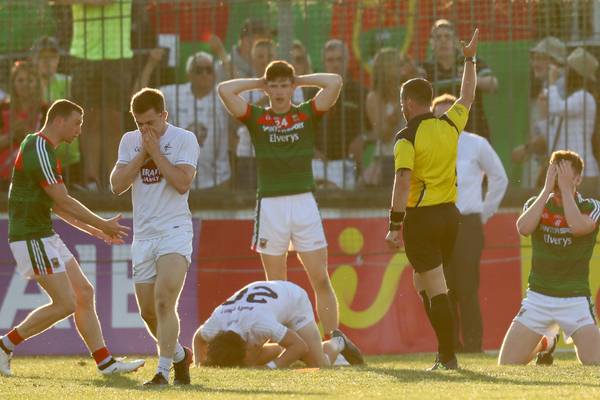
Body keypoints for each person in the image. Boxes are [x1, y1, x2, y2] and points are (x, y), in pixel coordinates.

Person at [0, 99, 143, 377]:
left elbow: (56, 205)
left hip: (43, 234)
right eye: (77, 123)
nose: (80, 130)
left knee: (84, 294)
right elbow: (62, 199)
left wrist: (95, 231)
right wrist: (102, 223)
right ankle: (5, 346)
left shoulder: (46, 151)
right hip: (31, 237)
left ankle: (106, 363)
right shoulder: (39, 148)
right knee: (65, 303)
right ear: (59, 121)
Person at [217, 60, 346, 340]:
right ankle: (290, 343)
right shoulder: (257, 118)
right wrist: (258, 83)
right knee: (277, 285)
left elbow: (334, 81)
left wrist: (298, 80)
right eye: (273, 85)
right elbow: (224, 90)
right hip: (271, 204)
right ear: (267, 89)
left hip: (304, 202)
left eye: (283, 85)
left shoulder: (305, 114)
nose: (278, 91)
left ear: (292, 88)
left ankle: (334, 340)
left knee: (320, 277)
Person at [385, 29, 479, 370]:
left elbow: (402, 180)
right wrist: (469, 59)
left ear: (409, 103)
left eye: (401, 102)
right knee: (421, 280)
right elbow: (467, 97)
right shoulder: (448, 126)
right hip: (450, 216)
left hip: (422, 219)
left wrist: (395, 225)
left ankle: (448, 356)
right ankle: (445, 348)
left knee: (435, 285)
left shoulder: (405, 137)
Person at [109, 88, 200, 386]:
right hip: (144, 236)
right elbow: (117, 185)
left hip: (174, 231)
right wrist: (143, 154)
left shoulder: (184, 139)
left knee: (164, 302)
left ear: (164, 115)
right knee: (149, 313)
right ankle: (178, 355)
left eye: (151, 123)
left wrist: (156, 153)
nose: (146, 130)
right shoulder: (129, 141)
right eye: (139, 124)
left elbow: (182, 183)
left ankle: (162, 372)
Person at [498, 150, 600, 366]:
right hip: (538, 298)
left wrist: (565, 189)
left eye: (564, 173)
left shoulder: (591, 207)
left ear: (578, 179)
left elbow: (578, 227)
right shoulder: (537, 202)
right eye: (554, 172)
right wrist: (546, 190)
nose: (557, 178)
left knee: (594, 362)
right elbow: (523, 228)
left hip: (575, 299)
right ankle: (546, 343)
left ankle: (573, 338)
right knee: (507, 364)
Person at [432, 93, 508, 353]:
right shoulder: (427, 146)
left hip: (467, 223)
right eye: (438, 115)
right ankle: (450, 345)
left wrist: (483, 213)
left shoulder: (476, 144)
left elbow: (499, 178)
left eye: (449, 114)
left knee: (466, 288)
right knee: (443, 289)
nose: (445, 119)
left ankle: (474, 345)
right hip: (439, 223)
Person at [192, 281, 364, 368]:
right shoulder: (214, 326)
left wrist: (272, 367)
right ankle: (284, 349)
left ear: (247, 345)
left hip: (294, 299)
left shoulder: (259, 325)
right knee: (253, 360)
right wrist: (199, 363)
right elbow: (198, 338)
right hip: (265, 302)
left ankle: (338, 342)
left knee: (319, 364)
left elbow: (299, 346)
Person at [59, 0, 135, 190]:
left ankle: (114, 181)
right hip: (82, 54)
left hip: (116, 54)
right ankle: (91, 180)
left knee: (113, 120)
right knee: (88, 119)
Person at [161, 51, 231, 189]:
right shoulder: (173, 93)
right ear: (189, 75)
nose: (205, 74)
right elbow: (139, 98)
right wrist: (151, 63)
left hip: (218, 180)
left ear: (215, 74)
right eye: (199, 70)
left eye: (209, 70)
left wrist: (222, 53)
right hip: (178, 179)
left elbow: (247, 100)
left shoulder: (223, 97)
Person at [423, 20, 497, 141]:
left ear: (456, 41)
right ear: (431, 43)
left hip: (474, 130)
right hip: (439, 136)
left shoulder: (470, 61)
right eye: (438, 37)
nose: (443, 40)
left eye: (447, 36)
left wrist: (470, 78)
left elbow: (493, 84)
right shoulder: (425, 68)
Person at [512, 36, 567, 188]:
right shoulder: (549, 85)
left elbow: (552, 133)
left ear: (556, 63)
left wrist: (527, 149)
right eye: (534, 58)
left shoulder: (560, 88)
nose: (535, 63)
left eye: (541, 59)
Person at [364, 48, 420, 187]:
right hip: (387, 160)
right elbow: (383, 135)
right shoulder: (374, 97)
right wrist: (398, 110)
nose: (402, 67)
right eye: (397, 64)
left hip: (414, 156)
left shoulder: (408, 90)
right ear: (385, 69)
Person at [316, 39, 366, 189]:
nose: (335, 64)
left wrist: (363, 138)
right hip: (317, 165)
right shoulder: (311, 92)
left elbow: (376, 129)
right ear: (324, 62)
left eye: (339, 59)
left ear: (347, 61)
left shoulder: (360, 92)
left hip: (348, 164)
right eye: (330, 60)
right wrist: (312, 152)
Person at [30, 36, 80, 181]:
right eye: (42, 57)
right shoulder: (29, 84)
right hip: (41, 160)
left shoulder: (68, 82)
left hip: (71, 159)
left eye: (52, 57)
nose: (47, 62)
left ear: (58, 59)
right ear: (34, 60)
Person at [0, 61, 47, 190]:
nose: (25, 85)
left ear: (37, 84)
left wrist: (27, 137)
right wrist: (13, 135)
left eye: (30, 80)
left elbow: (50, 144)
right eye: (20, 80)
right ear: (13, 83)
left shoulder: (45, 109)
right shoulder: (3, 107)